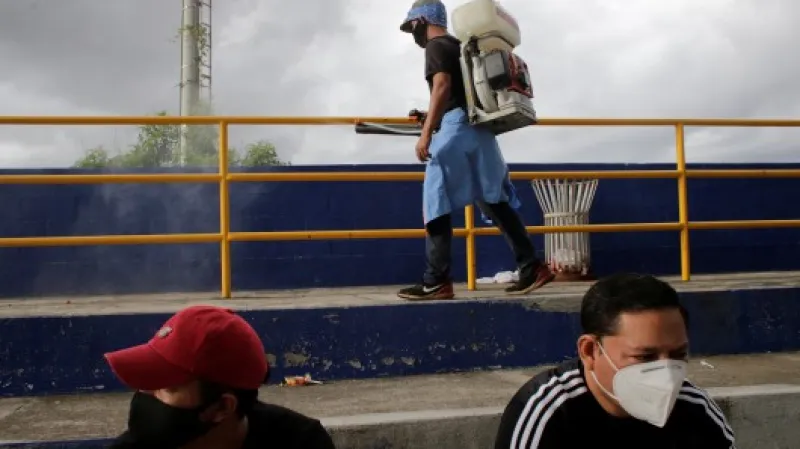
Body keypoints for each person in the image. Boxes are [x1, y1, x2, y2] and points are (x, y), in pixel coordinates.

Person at [396, 0, 554, 301]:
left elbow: (442, 86)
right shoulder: (461, 46)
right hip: (480, 129)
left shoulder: (436, 45)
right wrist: (429, 115)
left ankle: (436, 280)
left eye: (411, 26)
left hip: (455, 128)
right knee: (494, 199)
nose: (411, 33)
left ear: (421, 21)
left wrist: (426, 133)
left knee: (436, 199)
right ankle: (532, 266)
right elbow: (459, 93)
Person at [494, 273, 737, 449]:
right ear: (589, 351)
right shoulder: (548, 415)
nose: (666, 374)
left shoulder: (695, 410)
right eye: (645, 357)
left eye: (678, 355)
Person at [104, 305, 336, 449]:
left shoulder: (300, 442)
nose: (145, 394)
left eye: (167, 387)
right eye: (147, 381)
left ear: (223, 407)